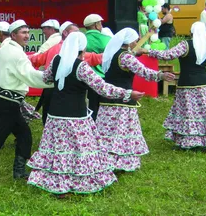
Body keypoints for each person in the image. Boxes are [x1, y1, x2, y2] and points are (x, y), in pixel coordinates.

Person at [27, 32, 144, 196]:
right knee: (79, 149)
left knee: (58, 149)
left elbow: (46, 78)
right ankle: (77, 182)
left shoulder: (56, 61)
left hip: (55, 116)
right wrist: (127, 93)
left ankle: (56, 183)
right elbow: (103, 88)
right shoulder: (81, 68)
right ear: (83, 48)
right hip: (76, 118)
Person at [0, 20, 53, 186]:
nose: (27, 36)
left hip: (7, 100)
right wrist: (53, 81)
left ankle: (19, 171)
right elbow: (30, 76)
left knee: (24, 135)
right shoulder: (16, 53)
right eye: (23, 33)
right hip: (8, 102)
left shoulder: (5, 48)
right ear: (13, 35)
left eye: (28, 32)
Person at [96, 28, 175, 172]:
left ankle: (102, 160)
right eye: (135, 40)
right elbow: (143, 71)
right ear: (130, 41)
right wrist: (161, 75)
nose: (137, 42)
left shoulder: (110, 54)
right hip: (124, 99)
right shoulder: (126, 57)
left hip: (107, 99)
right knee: (122, 132)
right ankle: (119, 163)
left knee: (107, 132)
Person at [144, 22, 206, 152]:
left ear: (191, 32)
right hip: (205, 84)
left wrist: (148, 51)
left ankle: (188, 141)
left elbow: (168, 55)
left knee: (188, 112)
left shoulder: (185, 45)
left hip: (187, 84)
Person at [29, 21, 103, 125]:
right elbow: (95, 59)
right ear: (65, 33)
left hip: (51, 92)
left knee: (50, 122)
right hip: (73, 102)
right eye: (75, 32)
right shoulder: (75, 57)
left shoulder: (53, 52)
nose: (78, 35)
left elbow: (37, 60)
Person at [83, 13, 111, 120]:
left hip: (86, 78)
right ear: (96, 25)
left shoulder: (82, 39)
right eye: (100, 24)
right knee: (104, 108)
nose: (101, 26)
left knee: (90, 106)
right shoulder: (107, 39)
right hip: (103, 78)